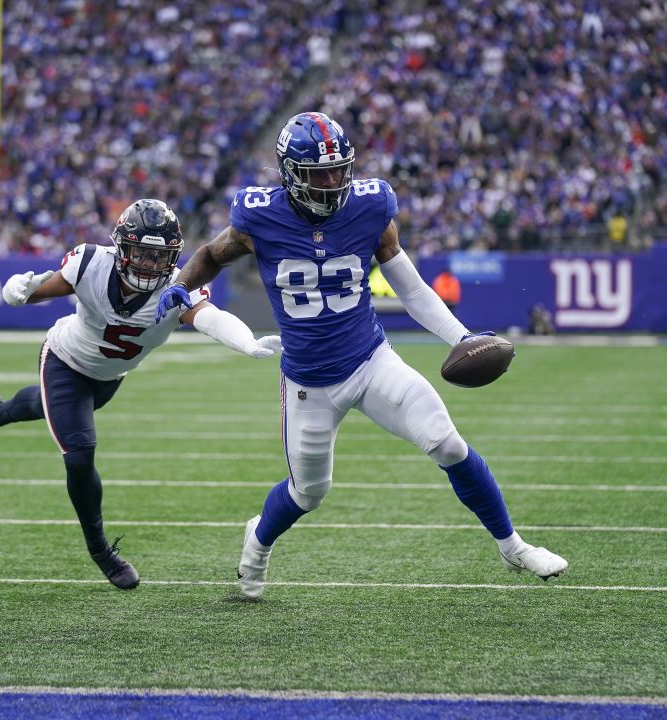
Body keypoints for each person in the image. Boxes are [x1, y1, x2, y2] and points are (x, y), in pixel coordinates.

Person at [156, 112, 567, 599]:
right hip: (309, 381)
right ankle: (257, 547)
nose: (331, 182)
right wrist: (181, 285)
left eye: (338, 169)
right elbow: (209, 254)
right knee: (308, 493)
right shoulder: (258, 215)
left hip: (370, 360)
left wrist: (459, 336)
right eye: (318, 173)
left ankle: (512, 546)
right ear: (290, 173)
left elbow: (409, 286)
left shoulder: (370, 207)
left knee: (448, 443)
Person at [0, 199, 282, 590]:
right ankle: (100, 551)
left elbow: (208, 317)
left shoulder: (176, 286)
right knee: (79, 451)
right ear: (121, 247)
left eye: (157, 256)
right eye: (140, 253)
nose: (147, 264)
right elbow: (46, 287)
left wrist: (245, 342)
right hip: (64, 358)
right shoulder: (92, 263)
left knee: (46, 407)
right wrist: (19, 292)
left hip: (109, 376)